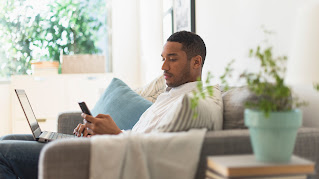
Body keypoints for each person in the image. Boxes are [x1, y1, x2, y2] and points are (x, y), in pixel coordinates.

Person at [0, 31, 207, 179]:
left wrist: (115, 134)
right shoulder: (170, 95)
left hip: (105, 158)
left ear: (196, 62)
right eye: (163, 59)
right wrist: (100, 133)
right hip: (106, 146)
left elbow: (159, 154)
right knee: (7, 138)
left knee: (2, 152)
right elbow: (144, 136)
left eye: (172, 59)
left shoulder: (192, 104)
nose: (163, 66)